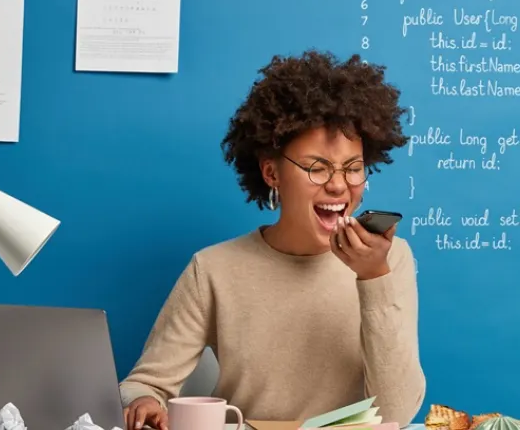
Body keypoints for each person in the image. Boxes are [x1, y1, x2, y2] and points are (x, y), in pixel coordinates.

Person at [119, 50, 426, 430]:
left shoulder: (389, 260)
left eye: (354, 168)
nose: (338, 185)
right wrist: (145, 401)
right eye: (317, 167)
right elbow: (142, 384)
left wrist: (373, 279)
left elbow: (397, 413)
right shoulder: (214, 269)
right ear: (271, 173)